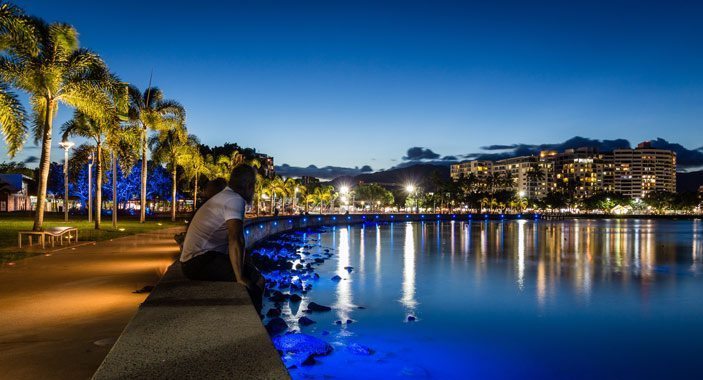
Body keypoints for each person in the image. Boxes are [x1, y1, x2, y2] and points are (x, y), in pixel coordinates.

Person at [180, 164, 264, 310]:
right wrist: (239, 277)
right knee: (257, 281)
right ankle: (254, 320)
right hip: (198, 262)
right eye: (254, 186)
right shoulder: (234, 200)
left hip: (195, 260)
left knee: (251, 271)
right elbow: (235, 238)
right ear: (250, 186)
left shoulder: (225, 195)